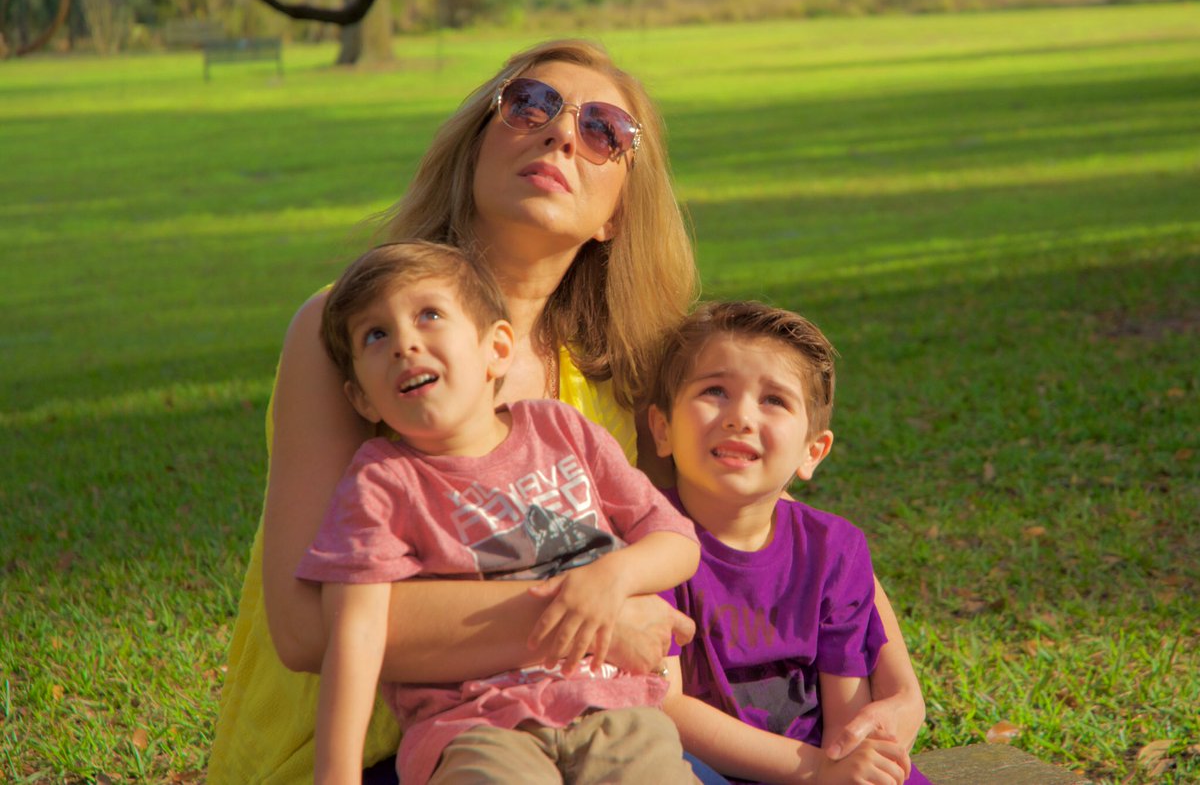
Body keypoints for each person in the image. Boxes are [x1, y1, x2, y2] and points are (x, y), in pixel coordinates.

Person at [208, 39, 922, 783]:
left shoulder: (619, 373)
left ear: (617, 212)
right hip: (370, 751)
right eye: (530, 105)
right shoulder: (361, 338)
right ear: (474, 147)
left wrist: (898, 681)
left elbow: (749, 519)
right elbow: (305, 627)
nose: (558, 133)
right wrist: (591, 615)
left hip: (589, 732)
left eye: (603, 130)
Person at [299, 240, 701, 784]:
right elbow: (356, 635)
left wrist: (611, 578)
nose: (404, 344)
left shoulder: (561, 430)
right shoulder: (382, 481)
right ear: (362, 399)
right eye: (376, 334)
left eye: (429, 315)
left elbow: (677, 542)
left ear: (497, 348)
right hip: (475, 725)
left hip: (616, 708)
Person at [646, 301, 931, 785]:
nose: (740, 417)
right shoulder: (650, 541)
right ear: (662, 428)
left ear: (812, 451)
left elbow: (847, 718)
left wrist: (842, 765)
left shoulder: (834, 549)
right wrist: (818, 770)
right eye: (715, 390)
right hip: (702, 767)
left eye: (774, 400)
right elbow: (666, 704)